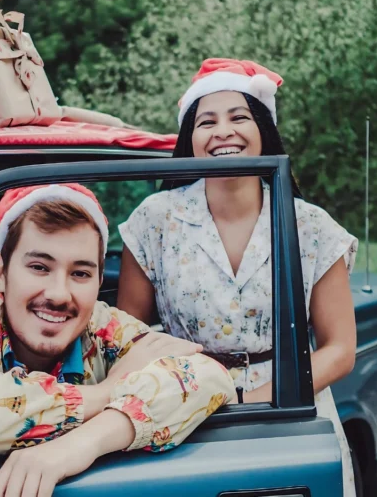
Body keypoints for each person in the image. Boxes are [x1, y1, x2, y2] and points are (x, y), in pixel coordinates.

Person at [0, 183, 235, 497]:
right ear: (0, 271)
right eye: (40, 267)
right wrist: (105, 392)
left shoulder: (104, 326)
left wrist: (79, 446)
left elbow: (208, 376)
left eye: (80, 274)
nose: (59, 294)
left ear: (100, 280)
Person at [116, 58, 360, 496]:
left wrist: (257, 398)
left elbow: (340, 348)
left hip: (293, 412)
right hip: (182, 408)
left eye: (239, 117)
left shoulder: (312, 226)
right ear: (190, 140)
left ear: (263, 130)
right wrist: (179, 388)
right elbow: (126, 335)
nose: (223, 131)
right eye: (206, 121)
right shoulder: (154, 220)